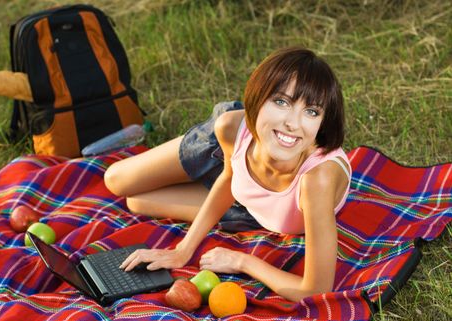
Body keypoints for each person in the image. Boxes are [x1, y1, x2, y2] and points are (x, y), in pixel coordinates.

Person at [104, 47, 351, 302]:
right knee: (115, 180)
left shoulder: (316, 179)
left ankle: (190, 175)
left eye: (311, 111)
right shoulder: (232, 128)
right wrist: (182, 250)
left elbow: (315, 291)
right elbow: (229, 177)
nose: (294, 122)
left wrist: (242, 261)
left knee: (138, 200)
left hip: (251, 209)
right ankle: (193, 169)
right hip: (227, 148)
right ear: (258, 97)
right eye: (281, 102)